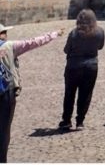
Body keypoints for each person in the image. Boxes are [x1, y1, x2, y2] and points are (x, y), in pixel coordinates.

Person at [0, 23, 65, 163]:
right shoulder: (9, 46)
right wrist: (53, 34)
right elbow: (34, 42)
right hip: (6, 92)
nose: (6, 34)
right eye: (4, 32)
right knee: (4, 129)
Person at [59, 9, 105, 130]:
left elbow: (66, 50)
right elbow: (100, 46)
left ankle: (66, 120)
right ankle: (80, 121)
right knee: (86, 94)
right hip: (91, 67)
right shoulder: (100, 32)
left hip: (73, 66)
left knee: (69, 94)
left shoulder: (74, 33)